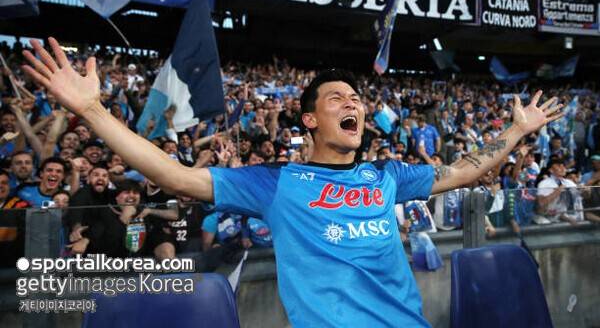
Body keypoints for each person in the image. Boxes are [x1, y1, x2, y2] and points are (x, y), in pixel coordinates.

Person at [22, 38, 564, 328]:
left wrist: (517, 130)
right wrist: (91, 110)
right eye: (338, 98)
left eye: (357, 98)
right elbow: (174, 175)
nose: (354, 103)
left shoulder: (387, 175)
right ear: (309, 120)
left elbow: (464, 169)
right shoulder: (275, 184)